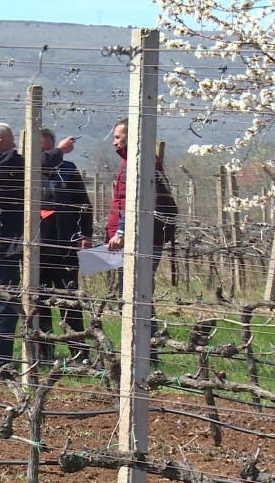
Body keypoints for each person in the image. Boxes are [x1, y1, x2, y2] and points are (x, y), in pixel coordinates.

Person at [0, 123, 74, 366]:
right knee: (4, 303)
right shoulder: (6, 162)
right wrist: (61, 151)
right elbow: (38, 165)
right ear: (1, 142)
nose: (15, 146)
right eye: (12, 141)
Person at [105, 118, 177, 365]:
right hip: (135, 240)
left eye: (118, 136)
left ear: (133, 135)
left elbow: (139, 200)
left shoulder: (140, 161)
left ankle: (145, 358)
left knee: (136, 299)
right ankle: (141, 356)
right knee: (134, 299)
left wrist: (122, 231)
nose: (114, 141)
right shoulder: (133, 160)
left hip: (139, 241)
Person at [36, 128, 92, 362]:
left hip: (66, 245)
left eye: (47, 149)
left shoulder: (68, 170)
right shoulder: (26, 172)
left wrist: (85, 234)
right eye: (40, 150)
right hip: (37, 248)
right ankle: (44, 354)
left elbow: (84, 205)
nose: (45, 154)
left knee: (70, 301)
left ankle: (79, 354)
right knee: (39, 302)